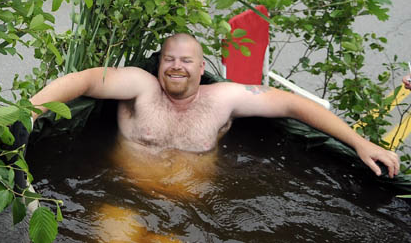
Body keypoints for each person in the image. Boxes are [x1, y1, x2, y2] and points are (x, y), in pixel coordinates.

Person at [29, 33, 400, 176]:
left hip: (195, 208)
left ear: (202, 67)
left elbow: (292, 106)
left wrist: (359, 143)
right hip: (127, 196)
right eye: (169, 59)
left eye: (186, 61)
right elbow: (88, 79)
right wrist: (28, 111)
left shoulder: (223, 98)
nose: (176, 66)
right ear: (159, 64)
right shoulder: (141, 88)